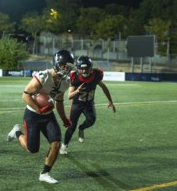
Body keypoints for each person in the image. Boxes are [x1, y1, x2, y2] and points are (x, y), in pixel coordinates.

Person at [7, 49, 74, 184]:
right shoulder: (43, 76)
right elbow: (25, 95)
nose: (66, 69)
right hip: (33, 114)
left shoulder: (66, 81)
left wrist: (64, 119)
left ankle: (45, 173)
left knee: (56, 143)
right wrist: (39, 108)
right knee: (32, 149)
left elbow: (59, 101)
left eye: (68, 67)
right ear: (56, 63)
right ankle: (17, 132)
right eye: (63, 65)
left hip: (48, 114)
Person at [60, 55, 116, 155]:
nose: (85, 71)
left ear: (90, 68)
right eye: (82, 69)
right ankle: (64, 145)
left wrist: (110, 101)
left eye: (86, 68)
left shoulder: (96, 75)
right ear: (78, 69)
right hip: (77, 104)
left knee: (92, 119)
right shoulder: (75, 77)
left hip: (89, 103)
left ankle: (81, 128)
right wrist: (77, 91)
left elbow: (104, 87)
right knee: (71, 127)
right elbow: (69, 96)